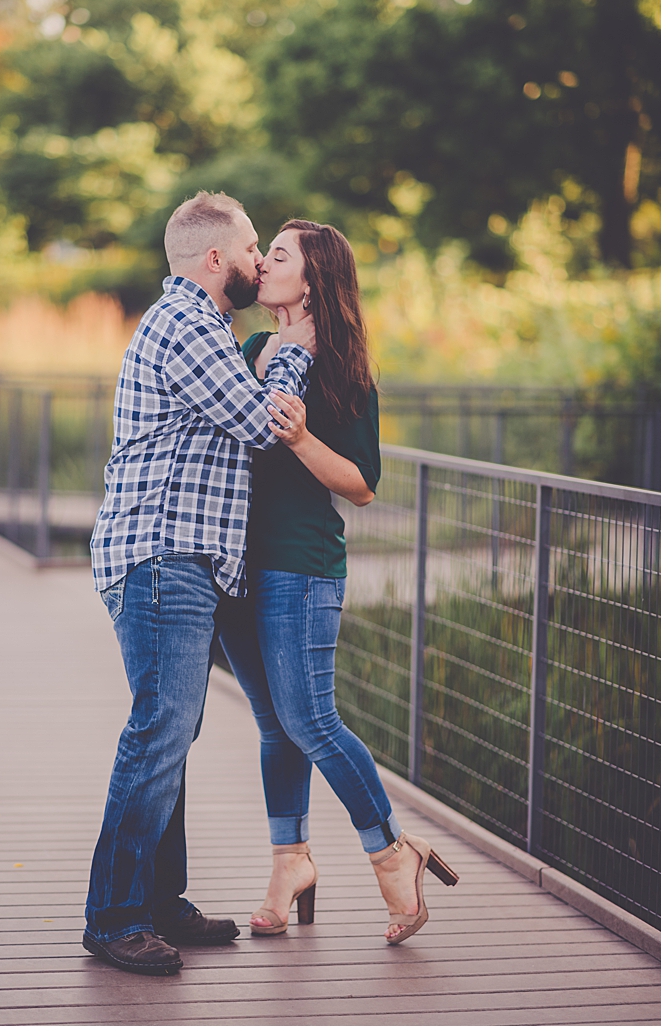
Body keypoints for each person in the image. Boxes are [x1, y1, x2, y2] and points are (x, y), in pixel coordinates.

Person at [83, 191, 315, 977]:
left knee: (170, 731)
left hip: (179, 560)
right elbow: (262, 422)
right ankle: (114, 917)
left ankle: (157, 902)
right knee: (159, 730)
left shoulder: (203, 325)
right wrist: (296, 344)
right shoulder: (186, 323)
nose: (259, 261)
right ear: (216, 258)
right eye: (254, 248)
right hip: (160, 556)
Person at [216, 220, 461, 945]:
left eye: (279, 255)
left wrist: (299, 437)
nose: (262, 265)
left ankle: (393, 853)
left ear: (314, 277)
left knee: (312, 720)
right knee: (274, 725)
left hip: (299, 564)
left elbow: (361, 485)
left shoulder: (344, 370)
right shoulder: (255, 349)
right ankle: (290, 863)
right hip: (238, 568)